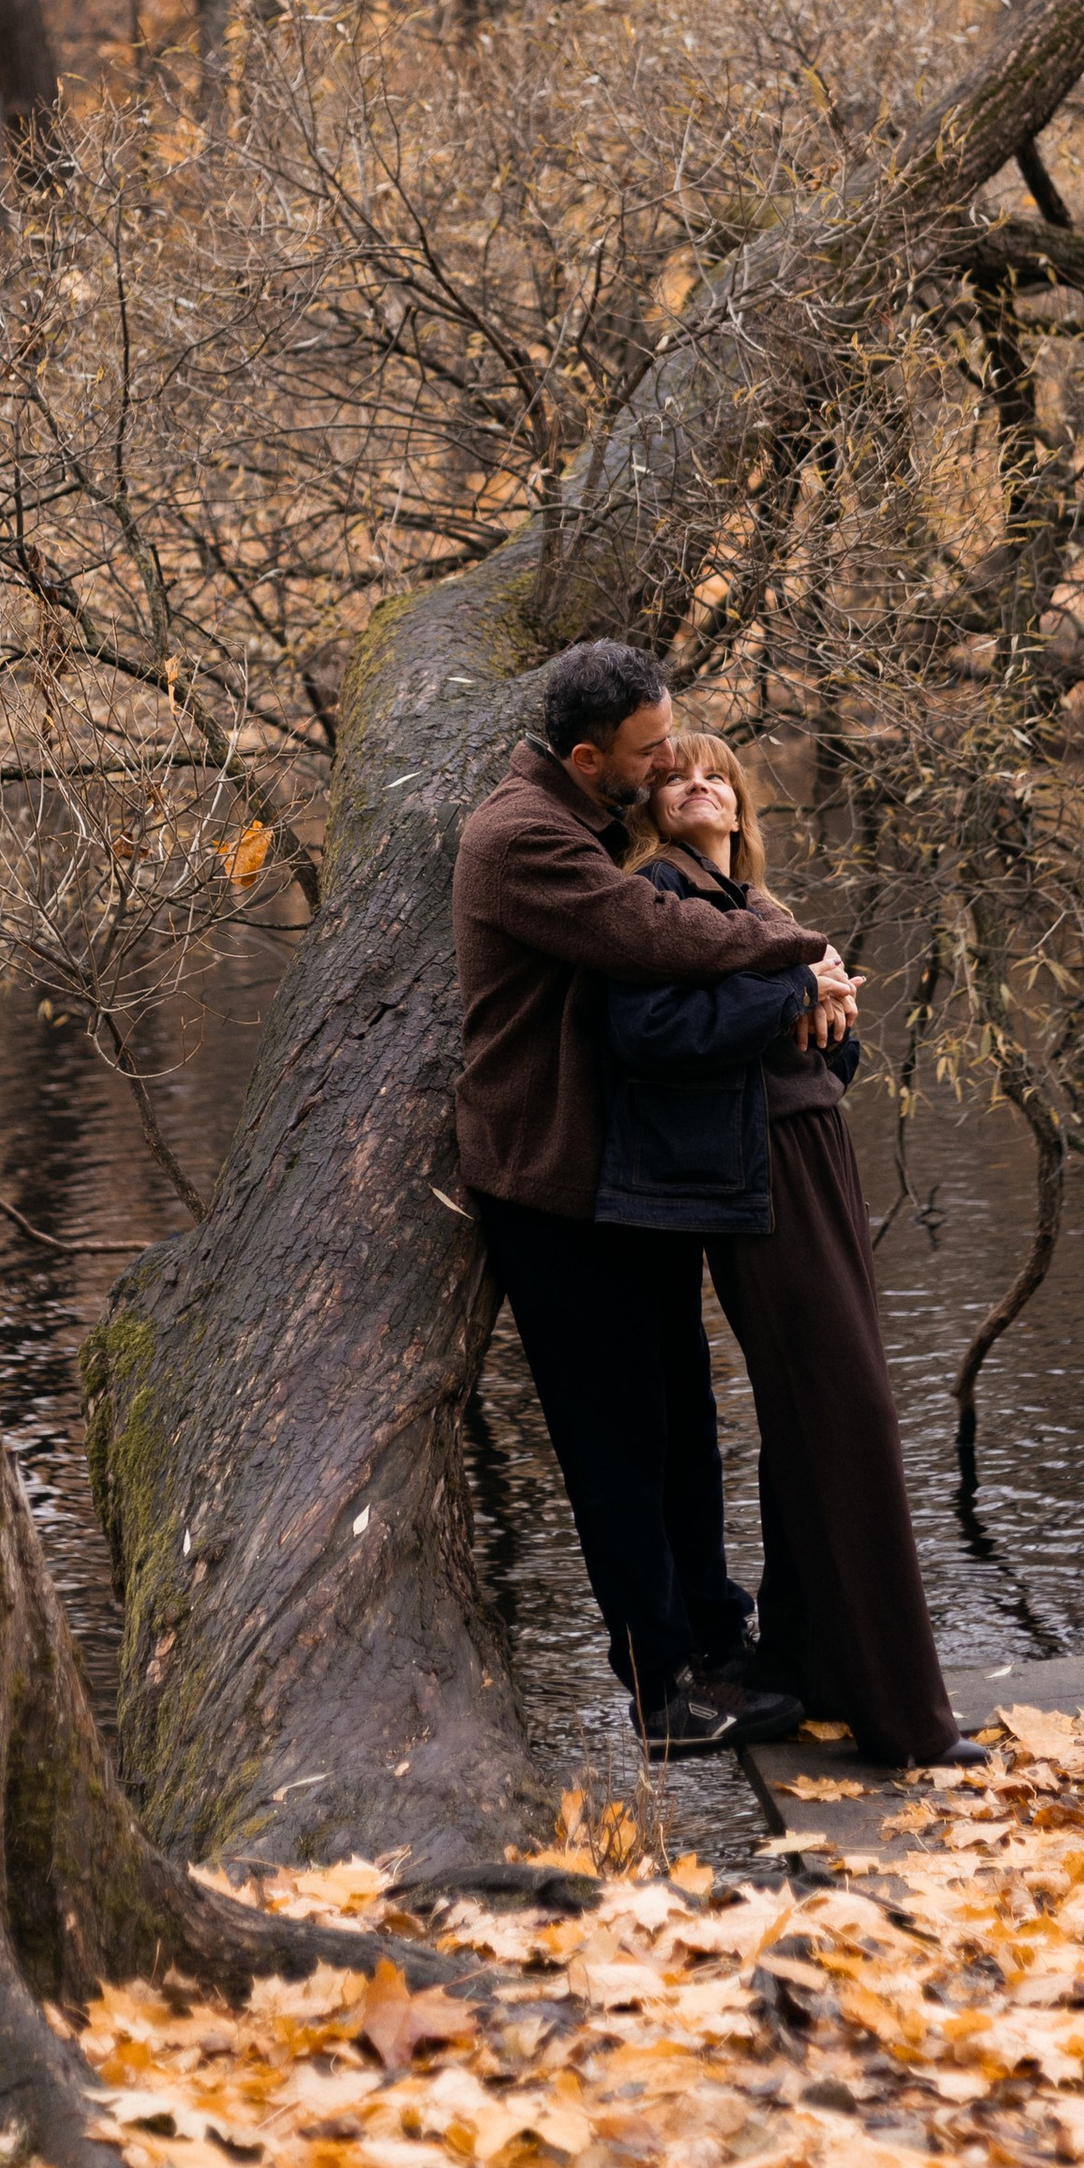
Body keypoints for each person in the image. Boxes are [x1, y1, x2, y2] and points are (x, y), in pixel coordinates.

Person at [452, 638, 858, 1753]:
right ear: (587, 757)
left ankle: (717, 1640)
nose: (667, 760)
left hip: (621, 1181)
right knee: (614, 1444)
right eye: (647, 752)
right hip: (547, 1182)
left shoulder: (583, 817)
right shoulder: (520, 836)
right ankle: (661, 1692)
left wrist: (792, 988)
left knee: (680, 1420)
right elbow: (651, 933)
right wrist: (798, 957)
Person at [606, 734, 979, 1769]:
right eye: (677, 772)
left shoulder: (758, 910)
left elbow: (816, 1038)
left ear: (741, 803)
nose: (699, 783)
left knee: (825, 1420)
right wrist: (790, 998)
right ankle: (903, 1716)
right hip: (758, 1172)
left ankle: (806, 1666)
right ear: (652, 803)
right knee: (841, 1416)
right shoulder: (656, 901)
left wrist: (834, 1017)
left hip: (819, 1154)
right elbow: (651, 1035)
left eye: (717, 773)